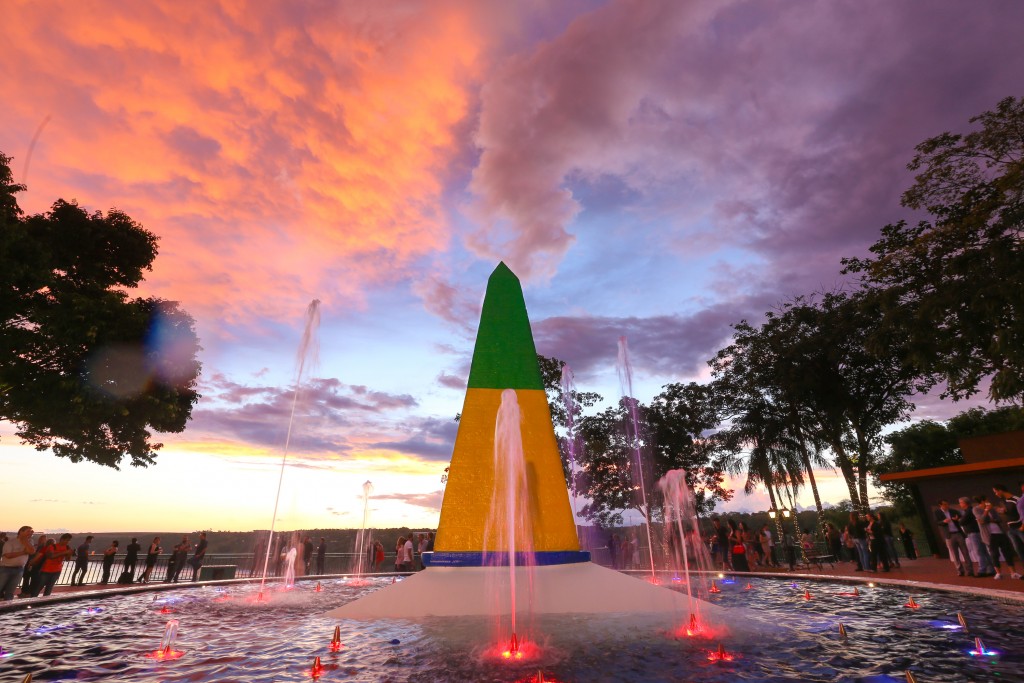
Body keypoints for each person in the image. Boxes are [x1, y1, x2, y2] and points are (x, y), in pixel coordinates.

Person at [979, 497, 1021, 580]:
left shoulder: (993, 510)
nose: (988, 503)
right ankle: (998, 573)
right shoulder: (978, 510)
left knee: (1007, 553)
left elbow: (999, 519)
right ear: (982, 503)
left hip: (1001, 533)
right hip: (991, 535)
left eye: (988, 502)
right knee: (994, 554)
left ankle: (1013, 573)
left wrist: (991, 517)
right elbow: (982, 520)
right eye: (986, 502)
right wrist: (986, 511)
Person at [934, 500, 973, 577]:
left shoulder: (953, 511)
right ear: (940, 505)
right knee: (955, 554)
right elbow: (937, 522)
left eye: (947, 504)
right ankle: (960, 570)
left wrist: (957, 519)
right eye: (944, 504)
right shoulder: (937, 512)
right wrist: (944, 521)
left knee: (965, 552)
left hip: (958, 533)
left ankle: (970, 570)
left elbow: (961, 518)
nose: (947, 505)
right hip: (949, 535)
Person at [959, 497, 993, 576]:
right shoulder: (968, 511)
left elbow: (962, 522)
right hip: (976, 532)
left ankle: (982, 570)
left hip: (974, 533)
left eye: (960, 503)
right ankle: (990, 569)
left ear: (965, 503)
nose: (960, 504)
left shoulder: (969, 511)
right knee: (984, 551)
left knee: (979, 551)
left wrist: (960, 519)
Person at [1, 525, 35, 600]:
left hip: (19, 569)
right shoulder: (11, 542)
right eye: (28, 531)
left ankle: (8, 605)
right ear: (21, 532)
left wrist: (25, 541)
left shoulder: (29, 542)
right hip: (6, 568)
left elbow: (32, 551)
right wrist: (23, 552)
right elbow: (8, 555)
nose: (30, 533)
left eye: (31, 532)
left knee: (10, 591)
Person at [993, 484, 1024, 563]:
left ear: (1000, 490)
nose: (995, 494)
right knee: (1018, 550)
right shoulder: (1005, 501)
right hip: (1011, 528)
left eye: (996, 492)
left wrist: (1023, 526)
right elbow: (1010, 512)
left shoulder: (1016, 499)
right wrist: (1001, 510)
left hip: (1020, 527)